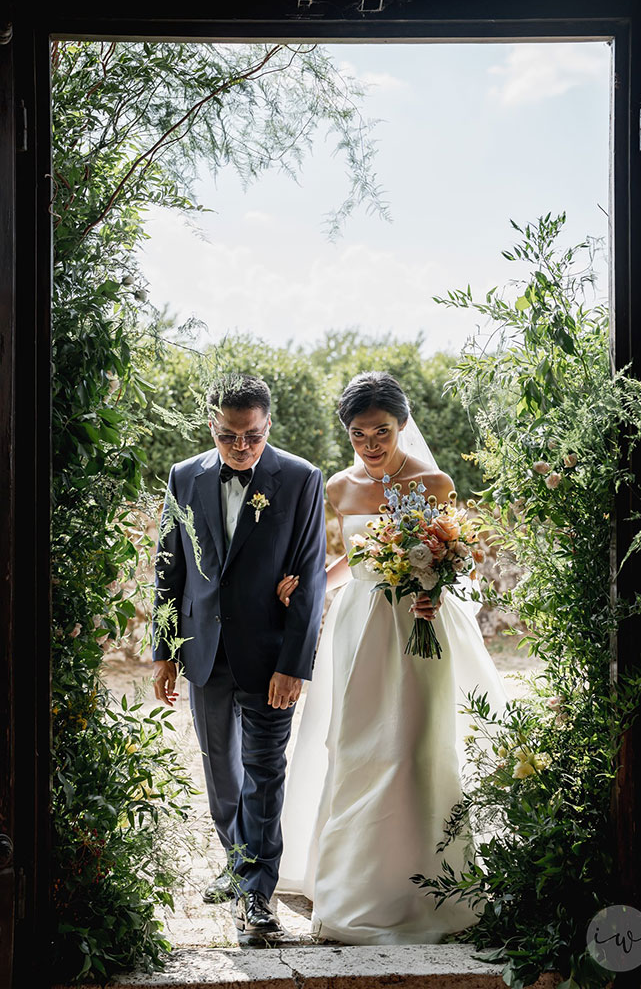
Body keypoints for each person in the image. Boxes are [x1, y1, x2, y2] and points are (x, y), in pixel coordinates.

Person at [275, 371, 510, 944]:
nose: (371, 444)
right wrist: (304, 584)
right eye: (359, 434)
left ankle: (426, 887)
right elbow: (350, 560)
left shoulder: (434, 482)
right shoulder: (337, 488)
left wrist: (436, 587)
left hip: (419, 624)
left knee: (416, 745)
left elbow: (457, 559)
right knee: (356, 747)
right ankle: (355, 887)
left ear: (403, 425)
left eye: (382, 431)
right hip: (359, 629)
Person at [151, 373, 327, 942]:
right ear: (212, 426)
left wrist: (294, 664)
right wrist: (164, 651)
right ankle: (236, 862)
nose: (241, 447)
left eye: (251, 435)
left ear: (267, 425)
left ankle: (257, 891)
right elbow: (168, 568)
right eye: (229, 436)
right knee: (220, 768)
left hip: (270, 654)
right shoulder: (184, 477)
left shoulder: (300, 479)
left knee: (264, 771)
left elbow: (311, 580)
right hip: (203, 651)